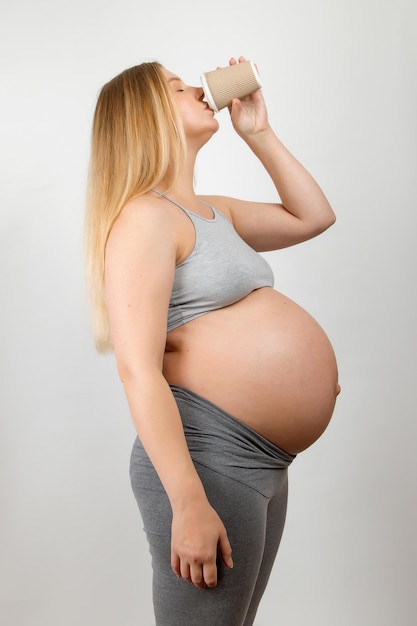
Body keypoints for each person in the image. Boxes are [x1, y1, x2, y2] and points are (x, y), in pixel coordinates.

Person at [85, 56, 341, 626]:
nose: (200, 87)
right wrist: (187, 501)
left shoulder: (212, 212)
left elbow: (313, 215)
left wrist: (259, 132)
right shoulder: (145, 219)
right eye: (178, 87)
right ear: (147, 116)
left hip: (264, 460)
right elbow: (139, 370)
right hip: (207, 459)